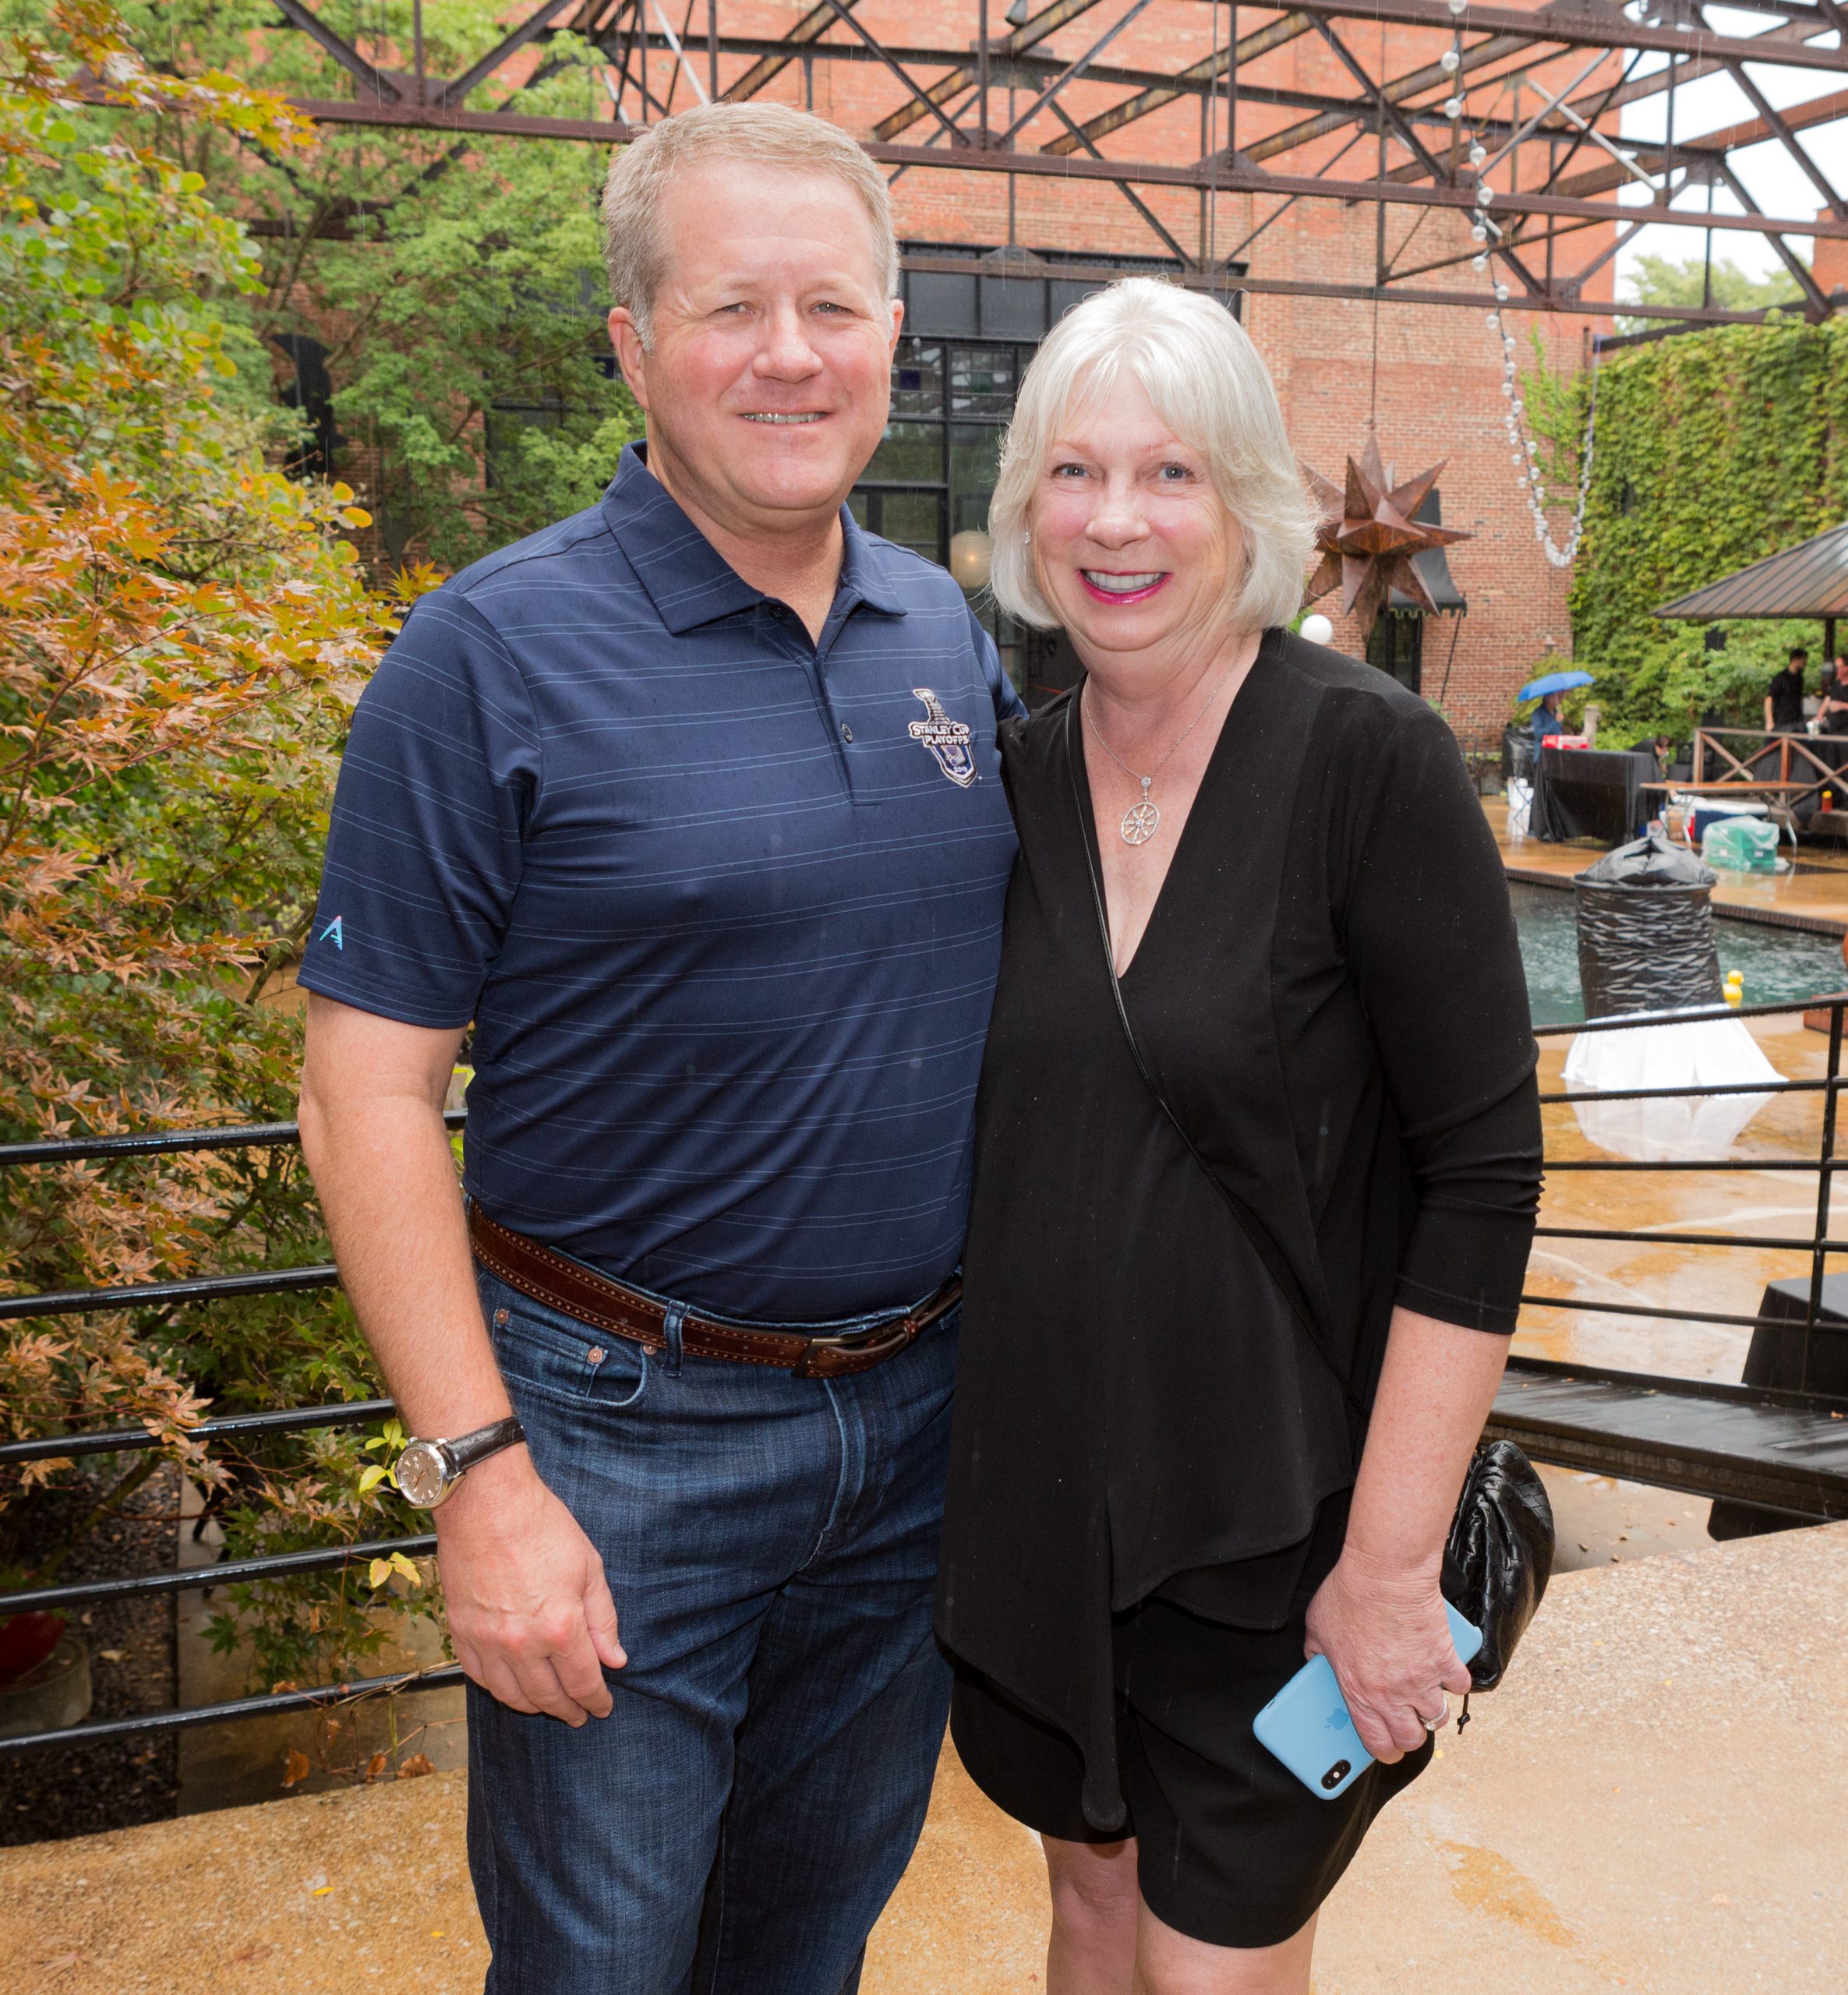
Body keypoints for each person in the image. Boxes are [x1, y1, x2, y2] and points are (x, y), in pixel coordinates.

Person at [296, 103, 1023, 1994]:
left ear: (891, 337)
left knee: (806, 1947)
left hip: (912, 1426)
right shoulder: (484, 654)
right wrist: (478, 1473)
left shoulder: (941, 632)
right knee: (599, 1964)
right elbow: (365, 1092)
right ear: (632, 343)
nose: (790, 355)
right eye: (729, 309)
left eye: (832, 307)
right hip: (617, 1442)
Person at [935, 279, 1543, 1995]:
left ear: (1248, 505)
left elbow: (1484, 1178)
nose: (1115, 521)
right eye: (1074, 473)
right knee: (1091, 1915)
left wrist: (1390, 1564)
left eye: (1170, 474)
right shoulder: (1010, 782)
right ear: (1027, 513)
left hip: (1290, 1529)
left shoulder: (1368, 761)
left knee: (1212, 1967)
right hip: (1047, 1513)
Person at [1765, 645, 1808, 732]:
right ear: (1796, 660)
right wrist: (1769, 721)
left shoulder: (1800, 678)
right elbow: (1769, 699)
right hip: (1782, 721)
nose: (1806, 663)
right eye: (1803, 660)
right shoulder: (1781, 678)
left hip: (1797, 721)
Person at [1531, 684, 1566, 753]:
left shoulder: (1556, 713)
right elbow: (1539, 735)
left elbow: (1558, 733)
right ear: (1548, 697)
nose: (1559, 700)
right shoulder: (1537, 713)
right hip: (1543, 754)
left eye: (1560, 697)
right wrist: (1555, 721)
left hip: (1556, 753)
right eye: (1557, 696)